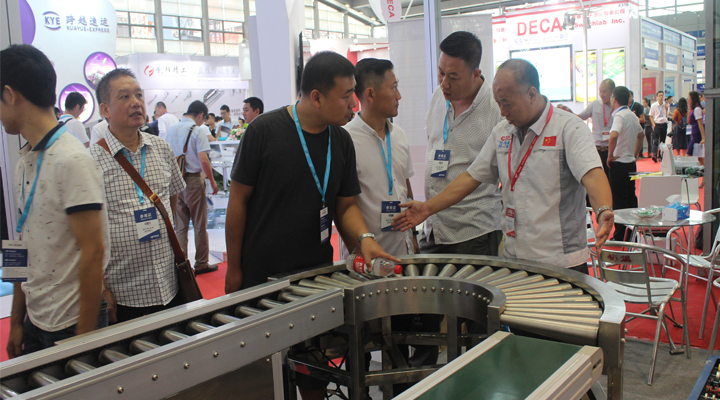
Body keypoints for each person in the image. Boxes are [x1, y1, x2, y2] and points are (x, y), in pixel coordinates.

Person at [224, 51, 399, 400]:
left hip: (314, 280)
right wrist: (234, 268)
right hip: (262, 280)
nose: (353, 104)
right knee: (265, 377)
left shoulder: (341, 140)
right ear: (316, 97)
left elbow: (344, 206)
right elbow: (238, 200)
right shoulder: (264, 131)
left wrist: (364, 239)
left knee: (312, 373)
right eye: (345, 95)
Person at [393, 59, 614, 274]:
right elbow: (471, 177)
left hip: (560, 263)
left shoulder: (568, 128)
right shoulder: (502, 132)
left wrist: (603, 209)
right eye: (498, 103)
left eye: (506, 103)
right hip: (515, 260)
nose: (502, 111)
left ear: (531, 94)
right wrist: (428, 208)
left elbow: (592, 174)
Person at [1, 45, 108, 358]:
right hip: (35, 317)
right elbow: (21, 244)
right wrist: (16, 320)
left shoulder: (72, 159)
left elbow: (94, 251)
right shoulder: (25, 161)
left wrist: (83, 340)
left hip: (71, 321)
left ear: (9, 95)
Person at [90, 68, 187, 324]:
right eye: (124, 97)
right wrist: (102, 288)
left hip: (169, 283)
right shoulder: (91, 160)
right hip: (123, 291)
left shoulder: (162, 148)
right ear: (105, 110)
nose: (136, 103)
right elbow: (90, 234)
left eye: (139, 95)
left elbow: (172, 201)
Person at [422, 31, 503, 257]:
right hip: (434, 226)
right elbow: (432, 143)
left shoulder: (496, 110)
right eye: (441, 72)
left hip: (474, 231)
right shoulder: (439, 96)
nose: (444, 83)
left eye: (453, 77)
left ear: (476, 74)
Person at [339, 58, 417, 259]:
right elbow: (342, 206)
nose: (399, 96)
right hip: (368, 259)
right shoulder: (345, 140)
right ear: (370, 94)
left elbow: (405, 186)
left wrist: (414, 236)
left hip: (404, 252)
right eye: (393, 88)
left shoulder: (399, 135)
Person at [166, 100, 220, 275]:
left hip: (175, 181)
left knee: (180, 226)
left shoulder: (171, 130)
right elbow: (203, 160)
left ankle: (182, 266)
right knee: (199, 224)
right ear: (200, 115)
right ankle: (201, 263)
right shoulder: (197, 131)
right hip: (193, 180)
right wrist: (212, 181)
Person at [607, 86, 644, 241]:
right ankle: (632, 234)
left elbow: (613, 135)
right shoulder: (632, 115)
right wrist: (635, 154)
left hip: (619, 164)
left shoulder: (619, 116)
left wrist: (610, 155)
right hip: (630, 163)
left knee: (619, 200)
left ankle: (619, 235)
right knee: (630, 198)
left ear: (614, 99)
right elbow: (641, 135)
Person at [558, 79, 615, 178]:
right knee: (597, 178)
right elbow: (579, 117)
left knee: (612, 179)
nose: (602, 95)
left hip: (612, 150)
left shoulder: (616, 107)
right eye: (600, 91)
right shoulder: (595, 105)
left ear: (612, 92)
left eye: (605, 91)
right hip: (596, 149)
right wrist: (566, 112)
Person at [687, 91, 706, 188]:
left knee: (689, 157)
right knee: (700, 159)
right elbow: (689, 121)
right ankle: (703, 180)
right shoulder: (694, 109)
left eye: (689, 98)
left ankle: (694, 179)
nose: (688, 100)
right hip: (694, 135)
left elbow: (700, 124)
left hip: (697, 137)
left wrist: (703, 137)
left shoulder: (697, 109)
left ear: (692, 99)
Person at [649, 91, 670, 162]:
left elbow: (667, 115)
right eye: (660, 96)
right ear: (657, 97)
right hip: (657, 124)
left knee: (662, 141)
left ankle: (661, 155)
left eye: (662, 95)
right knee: (655, 140)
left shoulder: (666, 105)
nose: (661, 97)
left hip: (664, 124)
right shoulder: (654, 105)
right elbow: (650, 115)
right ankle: (654, 155)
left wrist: (666, 109)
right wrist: (653, 124)